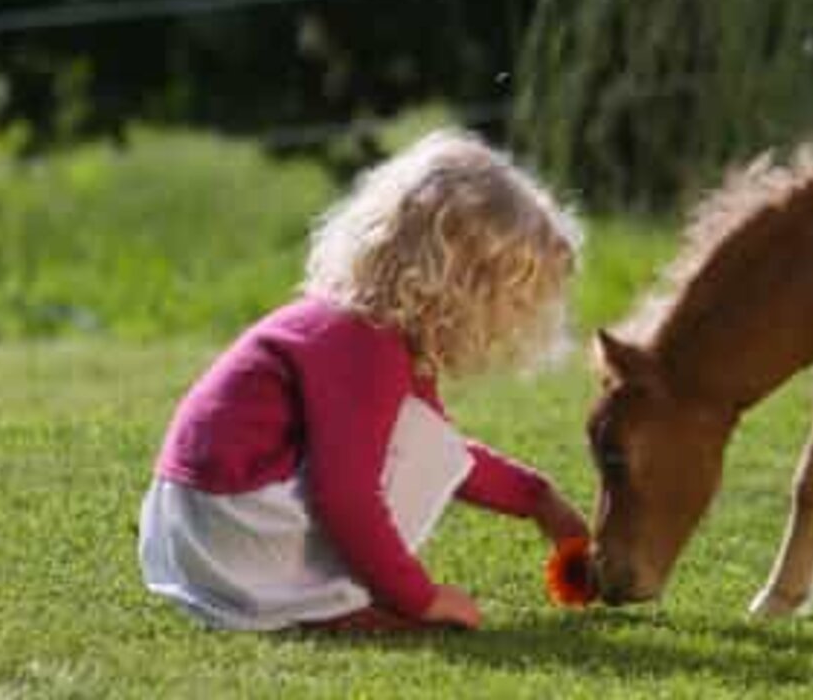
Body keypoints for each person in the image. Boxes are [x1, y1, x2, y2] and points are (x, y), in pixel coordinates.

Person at [139, 130, 588, 633]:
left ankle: (312, 599)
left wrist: (537, 499)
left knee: (418, 438)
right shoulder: (366, 346)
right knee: (402, 452)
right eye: (512, 302)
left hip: (196, 531)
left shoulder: (361, 330)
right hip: (232, 535)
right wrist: (421, 599)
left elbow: (441, 454)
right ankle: (323, 606)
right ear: (462, 287)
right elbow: (345, 496)